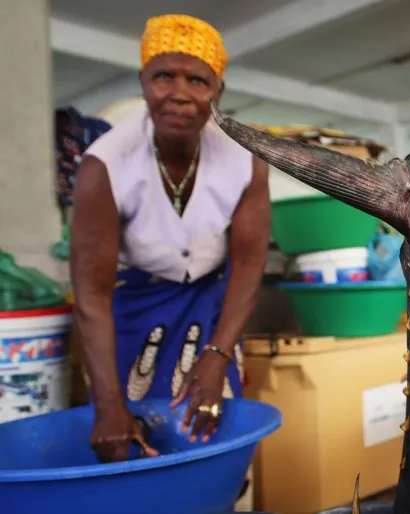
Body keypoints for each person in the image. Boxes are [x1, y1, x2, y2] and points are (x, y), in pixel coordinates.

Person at [70, 14, 270, 463]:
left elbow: (249, 263)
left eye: (197, 80)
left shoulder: (245, 159)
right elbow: (92, 294)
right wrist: (108, 406)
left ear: (218, 91)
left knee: (214, 420)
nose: (179, 93)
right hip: (136, 303)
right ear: (143, 83)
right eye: (163, 76)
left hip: (213, 302)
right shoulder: (104, 164)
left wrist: (217, 354)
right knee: (127, 428)